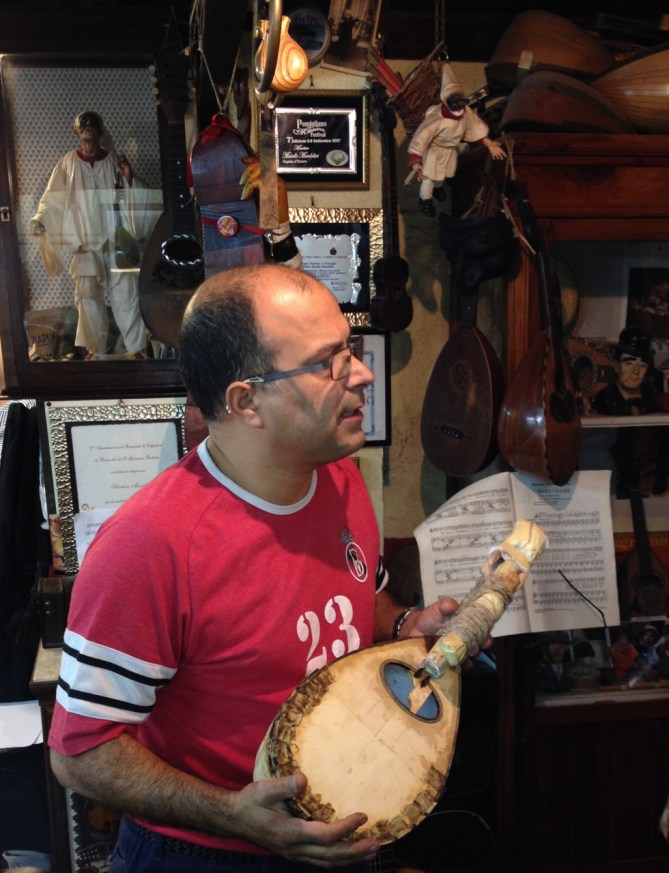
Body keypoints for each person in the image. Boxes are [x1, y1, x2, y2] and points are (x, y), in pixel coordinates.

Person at [47, 263, 469, 871]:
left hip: (339, 831)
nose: (364, 374)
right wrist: (230, 813)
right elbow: (79, 752)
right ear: (246, 402)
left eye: (349, 350)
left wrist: (405, 626)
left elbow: (358, 601)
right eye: (329, 363)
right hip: (205, 850)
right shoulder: (148, 544)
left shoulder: (342, 481)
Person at [30, 111, 155, 359]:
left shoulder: (113, 162)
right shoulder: (67, 164)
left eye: (93, 127)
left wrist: (129, 179)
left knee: (127, 294)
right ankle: (94, 351)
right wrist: (41, 220)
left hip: (116, 240)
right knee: (87, 296)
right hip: (85, 243)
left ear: (100, 132)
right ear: (75, 132)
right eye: (83, 128)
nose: (88, 132)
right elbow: (52, 200)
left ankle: (137, 348)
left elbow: (127, 194)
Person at [407, 65, 506, 217]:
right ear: (447, 101)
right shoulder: (435, 120)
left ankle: (438, 188)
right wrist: (416, 162)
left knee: (445, 173)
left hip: (450, 150)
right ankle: (425, 199)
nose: (459, 107)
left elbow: (474, 129)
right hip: (435, 150)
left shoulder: (465, 112)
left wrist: (490, 144)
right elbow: (420, 139)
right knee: (430, 177)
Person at [592, 326, 659, 416]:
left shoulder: (651, 398)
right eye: (629, 363)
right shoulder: (604, 398)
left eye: (643, 365)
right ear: (616, 365)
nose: (636, 371)